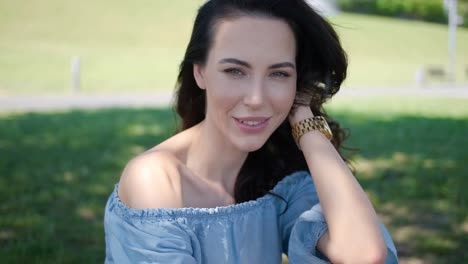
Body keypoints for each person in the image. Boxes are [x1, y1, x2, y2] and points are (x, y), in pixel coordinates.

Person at [104, 0, 398, 263]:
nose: (256, 98)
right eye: (235, 71)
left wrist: (305, 121)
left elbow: (363, 254)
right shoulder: (155, 179)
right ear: (200, 72)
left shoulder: (280, 180)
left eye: (279, 74)